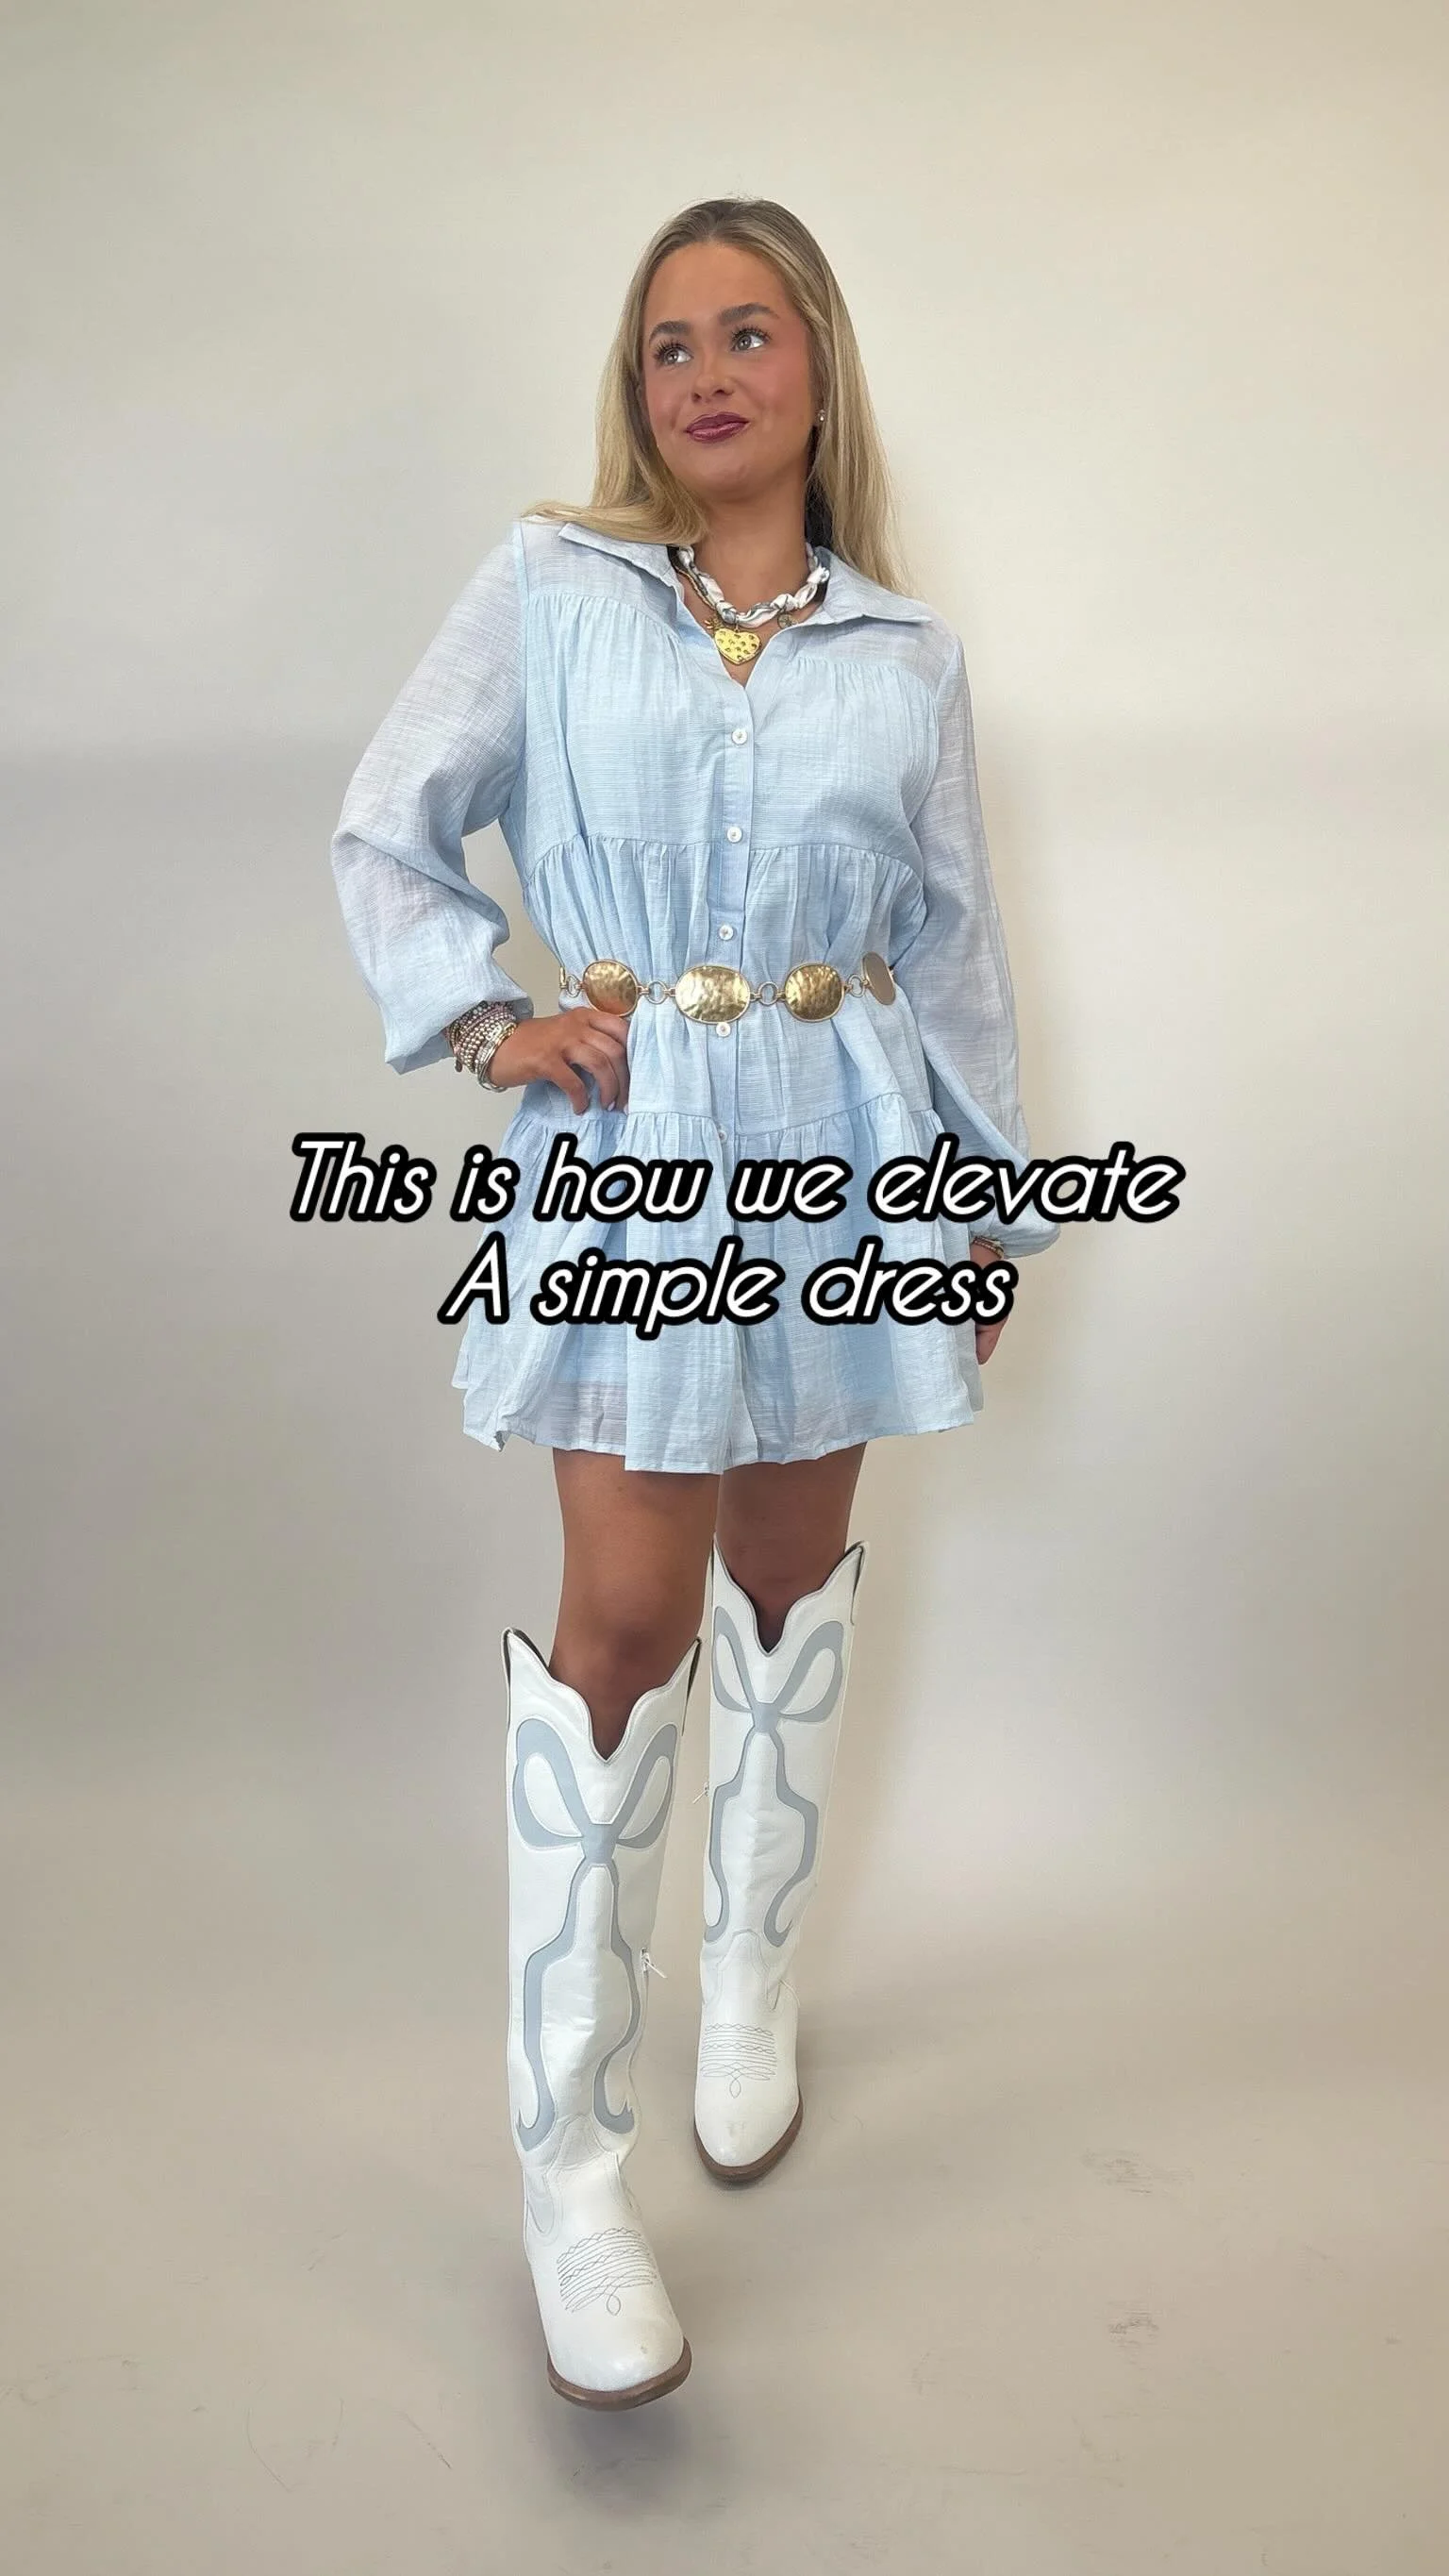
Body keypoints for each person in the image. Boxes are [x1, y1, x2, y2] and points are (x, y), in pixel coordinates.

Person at [329, 196, 1058, 2412]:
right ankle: (573, 2179)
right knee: (626, 1620)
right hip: (636, 1152)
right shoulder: (553, 591)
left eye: (751, 333)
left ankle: (748, 1986)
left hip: (835, 1149)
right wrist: (490, 1019)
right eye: (671, 345)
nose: (711, 374)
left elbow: (949, 949)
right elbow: (388, 824)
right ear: (637, 392)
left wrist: (979, 1200)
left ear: (818, 368)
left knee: (784, 1576)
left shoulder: (906, 660)